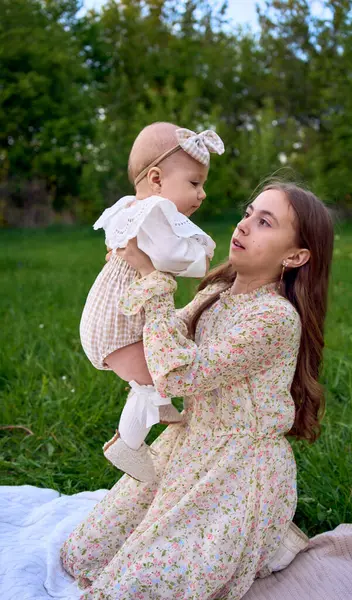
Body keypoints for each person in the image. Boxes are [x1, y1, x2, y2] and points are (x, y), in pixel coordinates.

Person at [61, 180, 334, 599]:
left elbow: (178, 374)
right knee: (84, 553)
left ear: (295, 256)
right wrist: (131, 267)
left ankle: (259, 532)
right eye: (248, 213)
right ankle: (256, 538)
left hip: (237, 465)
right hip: (190, 444)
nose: (243, 226)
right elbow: (162, 340)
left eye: (265, 222)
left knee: (136, 584)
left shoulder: (275, 319)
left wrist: (154, 279)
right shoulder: (217, 293)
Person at [80, 122, 224, 482]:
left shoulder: (132, 207)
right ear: (157, 180)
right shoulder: (155, 211)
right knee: (154, 376)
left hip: (112, 315)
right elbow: (169, 254)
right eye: (194, 183)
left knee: (154, 370)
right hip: (118, 323)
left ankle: (159, 407)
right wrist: (203, 257)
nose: (202, 194)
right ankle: (127, 444)